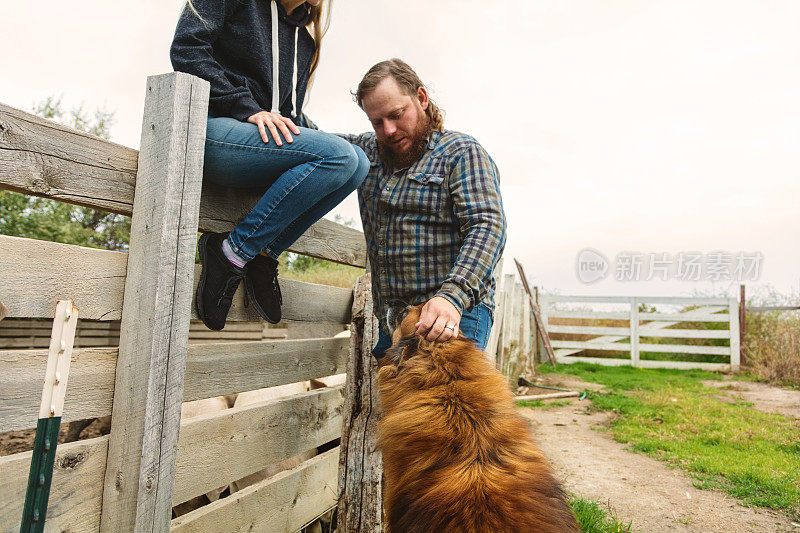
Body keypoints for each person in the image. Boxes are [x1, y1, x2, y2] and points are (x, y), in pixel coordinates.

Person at [170, 0, 369, 331]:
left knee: (357, 164)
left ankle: (262, 254)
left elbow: (287, 116)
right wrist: (244, 106)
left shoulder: (304, 41)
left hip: (257, 145)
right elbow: (187, 50)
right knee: (342, 156)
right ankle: (232, 250)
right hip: (214, 129)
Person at [341, 59, 507, 357]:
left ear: (421, 98)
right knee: (399, 405)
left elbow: (487, 226)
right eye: (377, 122)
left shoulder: (461, 153)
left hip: (451, 315)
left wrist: (451, 297)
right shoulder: (365, 152)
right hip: (392, 322)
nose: (389, 130)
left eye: (396, 115)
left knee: (446, 403)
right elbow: (310, 138)